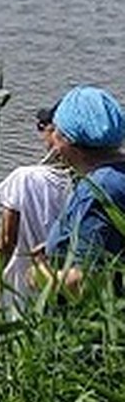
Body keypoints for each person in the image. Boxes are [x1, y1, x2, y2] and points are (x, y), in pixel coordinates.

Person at [34, 85, 125, 298]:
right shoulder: (118, 175)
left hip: (98, 324)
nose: (52, 136)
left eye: (56, 129)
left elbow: (84, 284)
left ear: (68, 140)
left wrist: (38, 272)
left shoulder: (97, 190)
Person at [0, 103, 71, 309]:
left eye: (43, 126)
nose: (41, 133)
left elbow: (6, 242)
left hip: (24, 288)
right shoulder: (92, 182)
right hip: (70, 287)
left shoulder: (24, 177)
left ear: (57, 133)